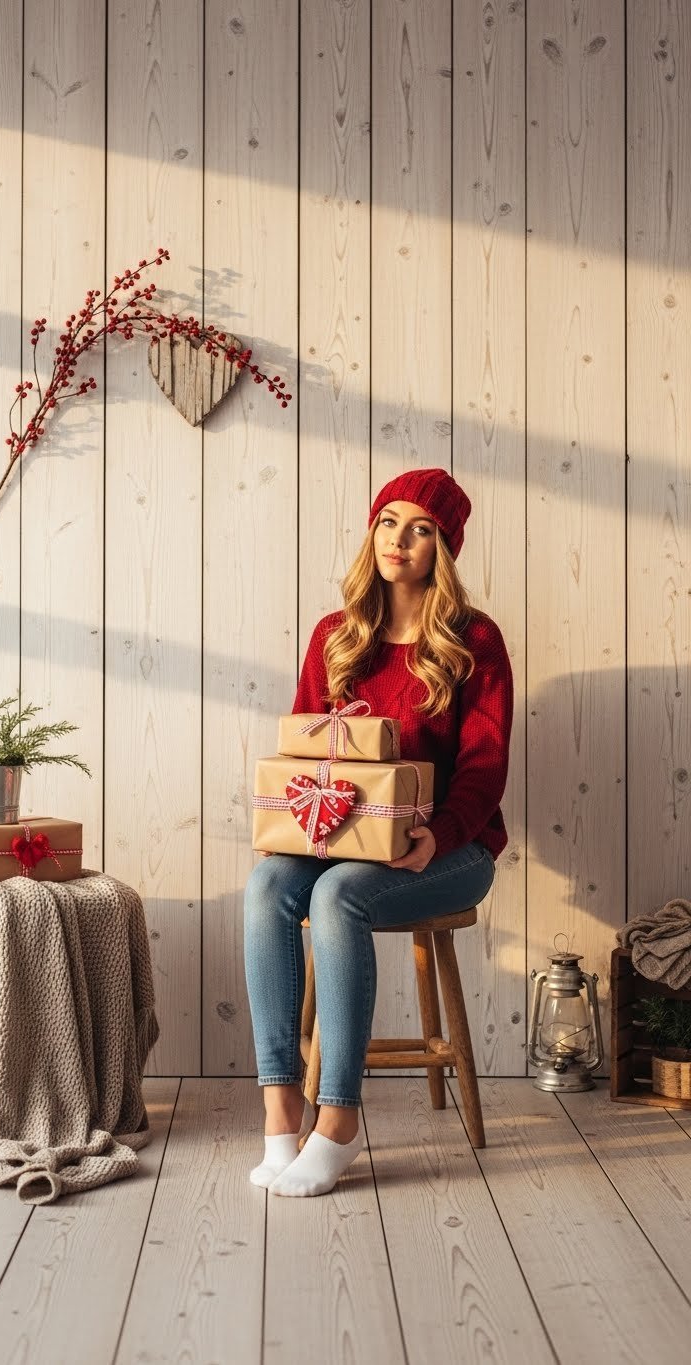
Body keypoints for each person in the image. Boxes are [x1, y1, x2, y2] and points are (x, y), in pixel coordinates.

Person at [243, 467, 514, 1197]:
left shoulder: (474, 641)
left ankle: (339, 1118)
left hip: (454, 849)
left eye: (422, 528)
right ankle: (281, 1107)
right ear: (374, 531)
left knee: (337, 898)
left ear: (444, 547)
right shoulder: (338, 635)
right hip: (345, 837)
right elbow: (306, 747)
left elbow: (486, 771)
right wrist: (286, 827)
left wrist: (441, 833)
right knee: (270, 881)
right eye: (390, 521)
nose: (400, 539)